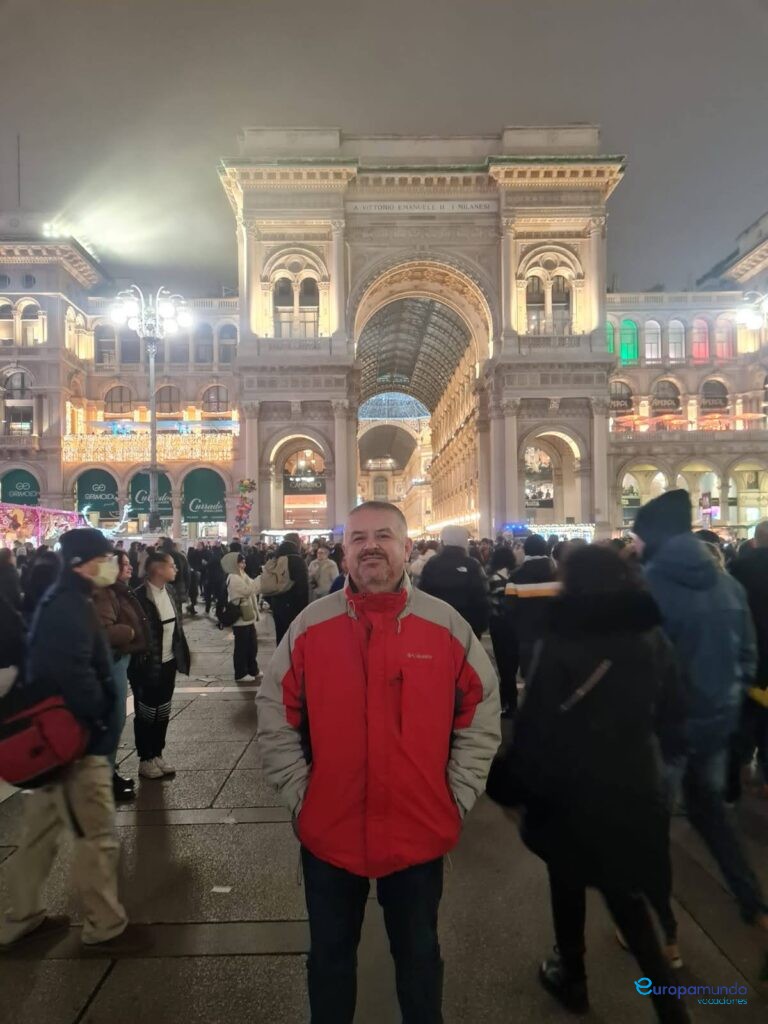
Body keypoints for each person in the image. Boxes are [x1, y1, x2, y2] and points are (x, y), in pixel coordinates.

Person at [257, 501, 501, 1024]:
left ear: (407, 548)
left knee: (419, 958)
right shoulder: (310, 626)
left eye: (384, 536)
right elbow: (276, 710)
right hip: (330, 828)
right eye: (359, 538)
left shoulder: (445, 625)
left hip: (419, 828)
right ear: (344, 553)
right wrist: (300, 796)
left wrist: (456, 797)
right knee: (329, 961)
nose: (371, 546)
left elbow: (480, 711)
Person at [488, 545, 689, 1022]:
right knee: (626, 898)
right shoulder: (652, 636)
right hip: (634, 784)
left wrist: (508, 786)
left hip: (571, 790)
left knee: (566, 873)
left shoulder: (562, 638)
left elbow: (536, 725)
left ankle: (572, 972)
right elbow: (675, 713)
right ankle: (669, 1007)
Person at [0, 529, 147, 953]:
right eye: (105, 558)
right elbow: (76, 674)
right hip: (76, 741)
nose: (112, 565)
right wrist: (98, 719)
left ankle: (20, 918)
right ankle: (105, 924)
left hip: (56, 740)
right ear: (83, 563)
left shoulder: (62, 598)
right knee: (95, 833)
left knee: (39, 834)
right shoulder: (70, 606)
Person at [632, 490, 768, 930]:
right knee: (711, 815)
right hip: (716, 723)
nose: (634, 542)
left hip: (665, 731)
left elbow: (639, 665)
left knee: (649, 825)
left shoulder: (646, 587)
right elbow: (748, 654)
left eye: (638, 535)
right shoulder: (727, 584)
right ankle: (753, 903)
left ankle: (656, 927)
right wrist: (727, 700)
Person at [93, 550, 150, 801]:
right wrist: (128, 632)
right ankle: (104, 777)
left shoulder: (118, 589)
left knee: (116, 720)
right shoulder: (105, 592)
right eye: (123, 564)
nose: (130, 567)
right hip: (112, 660)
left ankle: (108, 770)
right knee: (114, 719)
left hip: (120, 659)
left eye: (129, 563)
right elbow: (103, 631)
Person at [130, 550, 191, 780]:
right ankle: (145, 758)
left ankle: (157, 753)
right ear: (157, 569)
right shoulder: (138, 597)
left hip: (169, 661)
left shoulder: (171, 592)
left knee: (163, 709)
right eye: (172, 565)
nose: (176, 569)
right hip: (146, 664)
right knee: (146, 711)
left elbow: (177, 629)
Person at [731, 519, 768, 796]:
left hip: (750, 652)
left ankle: (741, 766)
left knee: (746, 714)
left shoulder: (739, 568)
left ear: (755, 540)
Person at [418, 526, 490, 639]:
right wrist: (480, 626)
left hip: (438, 624)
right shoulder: (472, 564)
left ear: (443, 542)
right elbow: (481, 596)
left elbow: (423, 593)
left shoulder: (433, 563)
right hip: (467, 626)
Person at [505, 534, 560, 682]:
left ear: (525, 550)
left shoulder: (515, 577)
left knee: (531, 681)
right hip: (556, 639)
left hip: (527, 638)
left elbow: (509, 610)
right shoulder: (559, 575)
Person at [487, 545, 519, 718]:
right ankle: (508, 698)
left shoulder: (493, 578)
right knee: (512, 664)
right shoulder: (515, 576)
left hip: (498, 625)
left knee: (503, 664)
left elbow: (494, 602)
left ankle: (508, 701)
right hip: (515, 625)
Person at [222, 550, 261, 683]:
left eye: (244, 562)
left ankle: (252, 669)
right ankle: (240, 673)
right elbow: (249, 590)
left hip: (247, 616)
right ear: (234, 564)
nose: (244, 565)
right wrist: (260, 579)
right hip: (240, 617)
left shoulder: (241, 574)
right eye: (241, 563)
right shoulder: (234, 578)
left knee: (252, 645)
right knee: (242, 647)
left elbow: (252, 586)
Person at [269, 532, 309, 646]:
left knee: (280, 634)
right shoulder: (297, 559)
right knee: (293, 636)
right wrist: (304, 607)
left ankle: (280, 655)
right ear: (297, 542)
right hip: (293, 604)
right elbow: (302, 587)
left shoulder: (275, 557)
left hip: (277, 602)